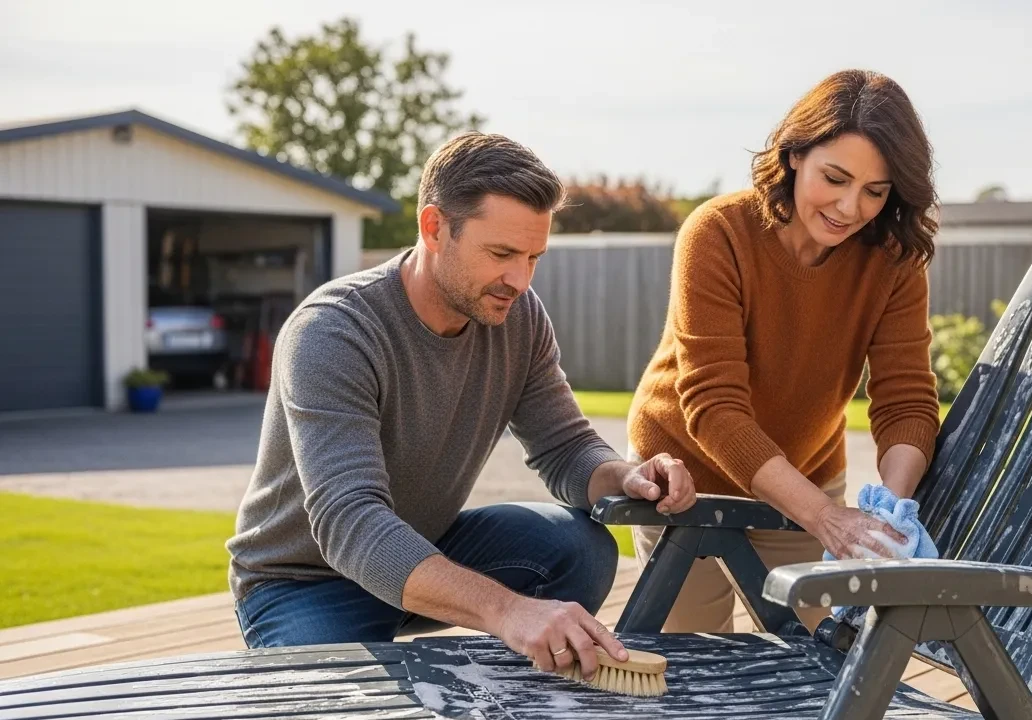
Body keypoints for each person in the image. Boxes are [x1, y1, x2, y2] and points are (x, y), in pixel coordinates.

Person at [226, 131, 697, 682]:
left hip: (424, 545)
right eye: (501, 254)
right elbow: (349, 523)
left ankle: (512, 675)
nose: (519, 280)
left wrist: (626, 476)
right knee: (348, 719)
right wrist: (508, 611)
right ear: (433, 228)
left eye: (533, 257)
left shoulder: (517, 318)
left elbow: (566, 447)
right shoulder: (333, 331)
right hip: (305, 580)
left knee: (581, 548)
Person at [627, 69, 942, 633]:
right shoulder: (718, 232)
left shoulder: (893, 260)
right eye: (835, 178)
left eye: (875, 191)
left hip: (805, 477)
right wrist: (826, 519)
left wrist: (884, 520)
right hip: (685, 481)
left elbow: (907, 402)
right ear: (795, 154)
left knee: (820, 670)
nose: (849, 207)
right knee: (692, 670)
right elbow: (714, 405)